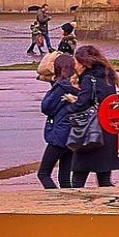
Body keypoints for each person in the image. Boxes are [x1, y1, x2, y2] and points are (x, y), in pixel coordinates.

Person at [69, 44, 119, 188]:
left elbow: (82, 104)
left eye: (76, 62)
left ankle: (79, 208)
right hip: (108, 131)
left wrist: (70, 106)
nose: (74, 65)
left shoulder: (89, 79)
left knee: (78, 179)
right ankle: (110, 206)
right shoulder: (108, 76)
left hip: (91, 132)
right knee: (104, 180)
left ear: (83, 62)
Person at [38, 53, 79, 189]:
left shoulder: (60, 87)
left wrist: (53, 88)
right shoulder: (75, 85)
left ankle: (56, 199)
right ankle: (68, 203)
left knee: (43, 173)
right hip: (72, 134)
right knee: (65, 177)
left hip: (59, 134)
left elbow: (46, 107)